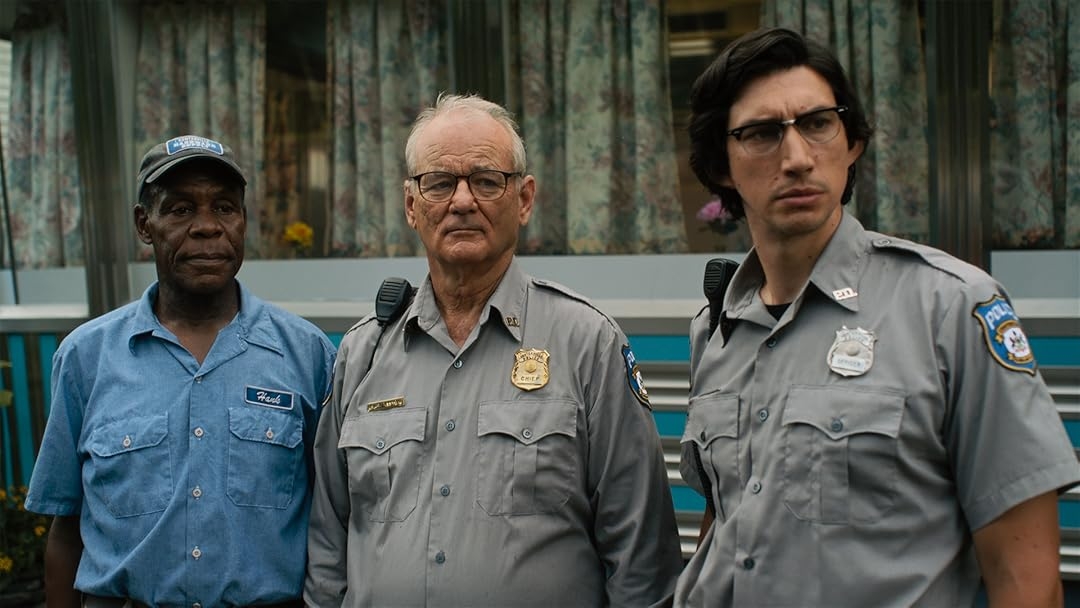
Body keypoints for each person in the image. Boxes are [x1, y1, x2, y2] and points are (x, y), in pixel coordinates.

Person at [675, 26, 1080, 608]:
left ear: (853, 142)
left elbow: (1025, 578)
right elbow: (731, 522)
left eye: (817, 123)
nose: (795, 158)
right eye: (762, 134)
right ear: (720, 166)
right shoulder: (716, 326)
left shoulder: (952, 307)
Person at [304, 94, 682, 607]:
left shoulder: (587, 342)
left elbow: (641, 559)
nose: (462, 201)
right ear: (412, 206)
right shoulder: (361, 353)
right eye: (440, 182)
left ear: (524, 199)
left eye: (486, 181)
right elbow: (328, 544)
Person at [25, 135, 336, 607]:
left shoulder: (307, 355)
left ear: (244, 221)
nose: (207, 228)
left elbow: (333, 523)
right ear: (143, 224)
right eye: (180, 209)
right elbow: (66, 532)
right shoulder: (86, 358)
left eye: (225, 208)